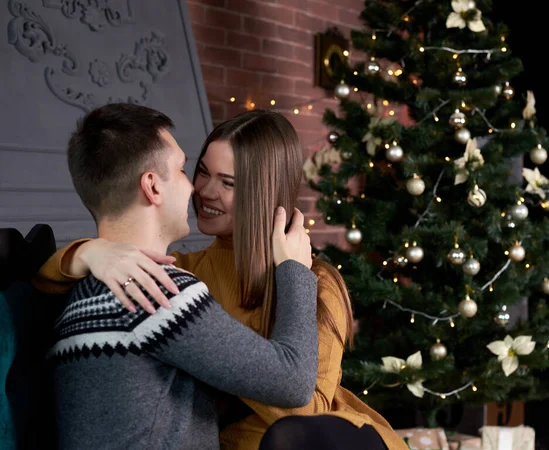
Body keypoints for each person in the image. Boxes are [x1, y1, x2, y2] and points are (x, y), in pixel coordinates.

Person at [34, 110, 408, 450]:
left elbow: (305, 408)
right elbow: (43, 279)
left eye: (228, 182)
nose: (202, 190)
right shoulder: (164, 276)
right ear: (153, 186)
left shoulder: (310, 281)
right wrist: (90, 252)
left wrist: (222, 362)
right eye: (198, 171)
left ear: (260, 193)